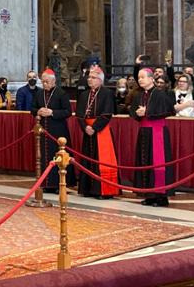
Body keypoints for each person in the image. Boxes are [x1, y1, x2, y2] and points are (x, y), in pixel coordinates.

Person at [129, 68, 176, 207]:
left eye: (143, 77)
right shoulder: (139, 94)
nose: (140, 79)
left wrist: (147, 112)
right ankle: (149, 195)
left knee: (157, 164)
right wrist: (138, 113)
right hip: (144, 132)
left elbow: (168, 110)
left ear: (151, 79)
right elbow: (133, 112)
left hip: (157, 133)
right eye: (139, 77)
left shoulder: (159, 94)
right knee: (145, 163)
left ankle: (161, 197)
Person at [76, 65, 119, 198]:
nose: (90, 80)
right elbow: (79, 115)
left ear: (100, 80)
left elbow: (106, 114)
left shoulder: (107, 93)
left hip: (101, 131)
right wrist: (85, 127)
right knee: (88, 159)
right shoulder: (84, 95)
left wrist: (94, 128)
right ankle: (88, 189)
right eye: (89, 77)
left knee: (102, 159)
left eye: (93, 77)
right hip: (88, 131)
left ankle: (104, 191)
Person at [31, 68, 75, 192]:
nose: (44, 84)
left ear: (53, 81)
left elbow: (68, 112)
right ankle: (45, 184)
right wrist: (38, 111)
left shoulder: (61, 93)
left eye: (47, 82)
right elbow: (32, 109)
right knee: (44, 157)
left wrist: (52, 112)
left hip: (58, 132)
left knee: (58, 157)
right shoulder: (39, 94)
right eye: (43, 82)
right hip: (43, 132)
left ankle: (58, 185)